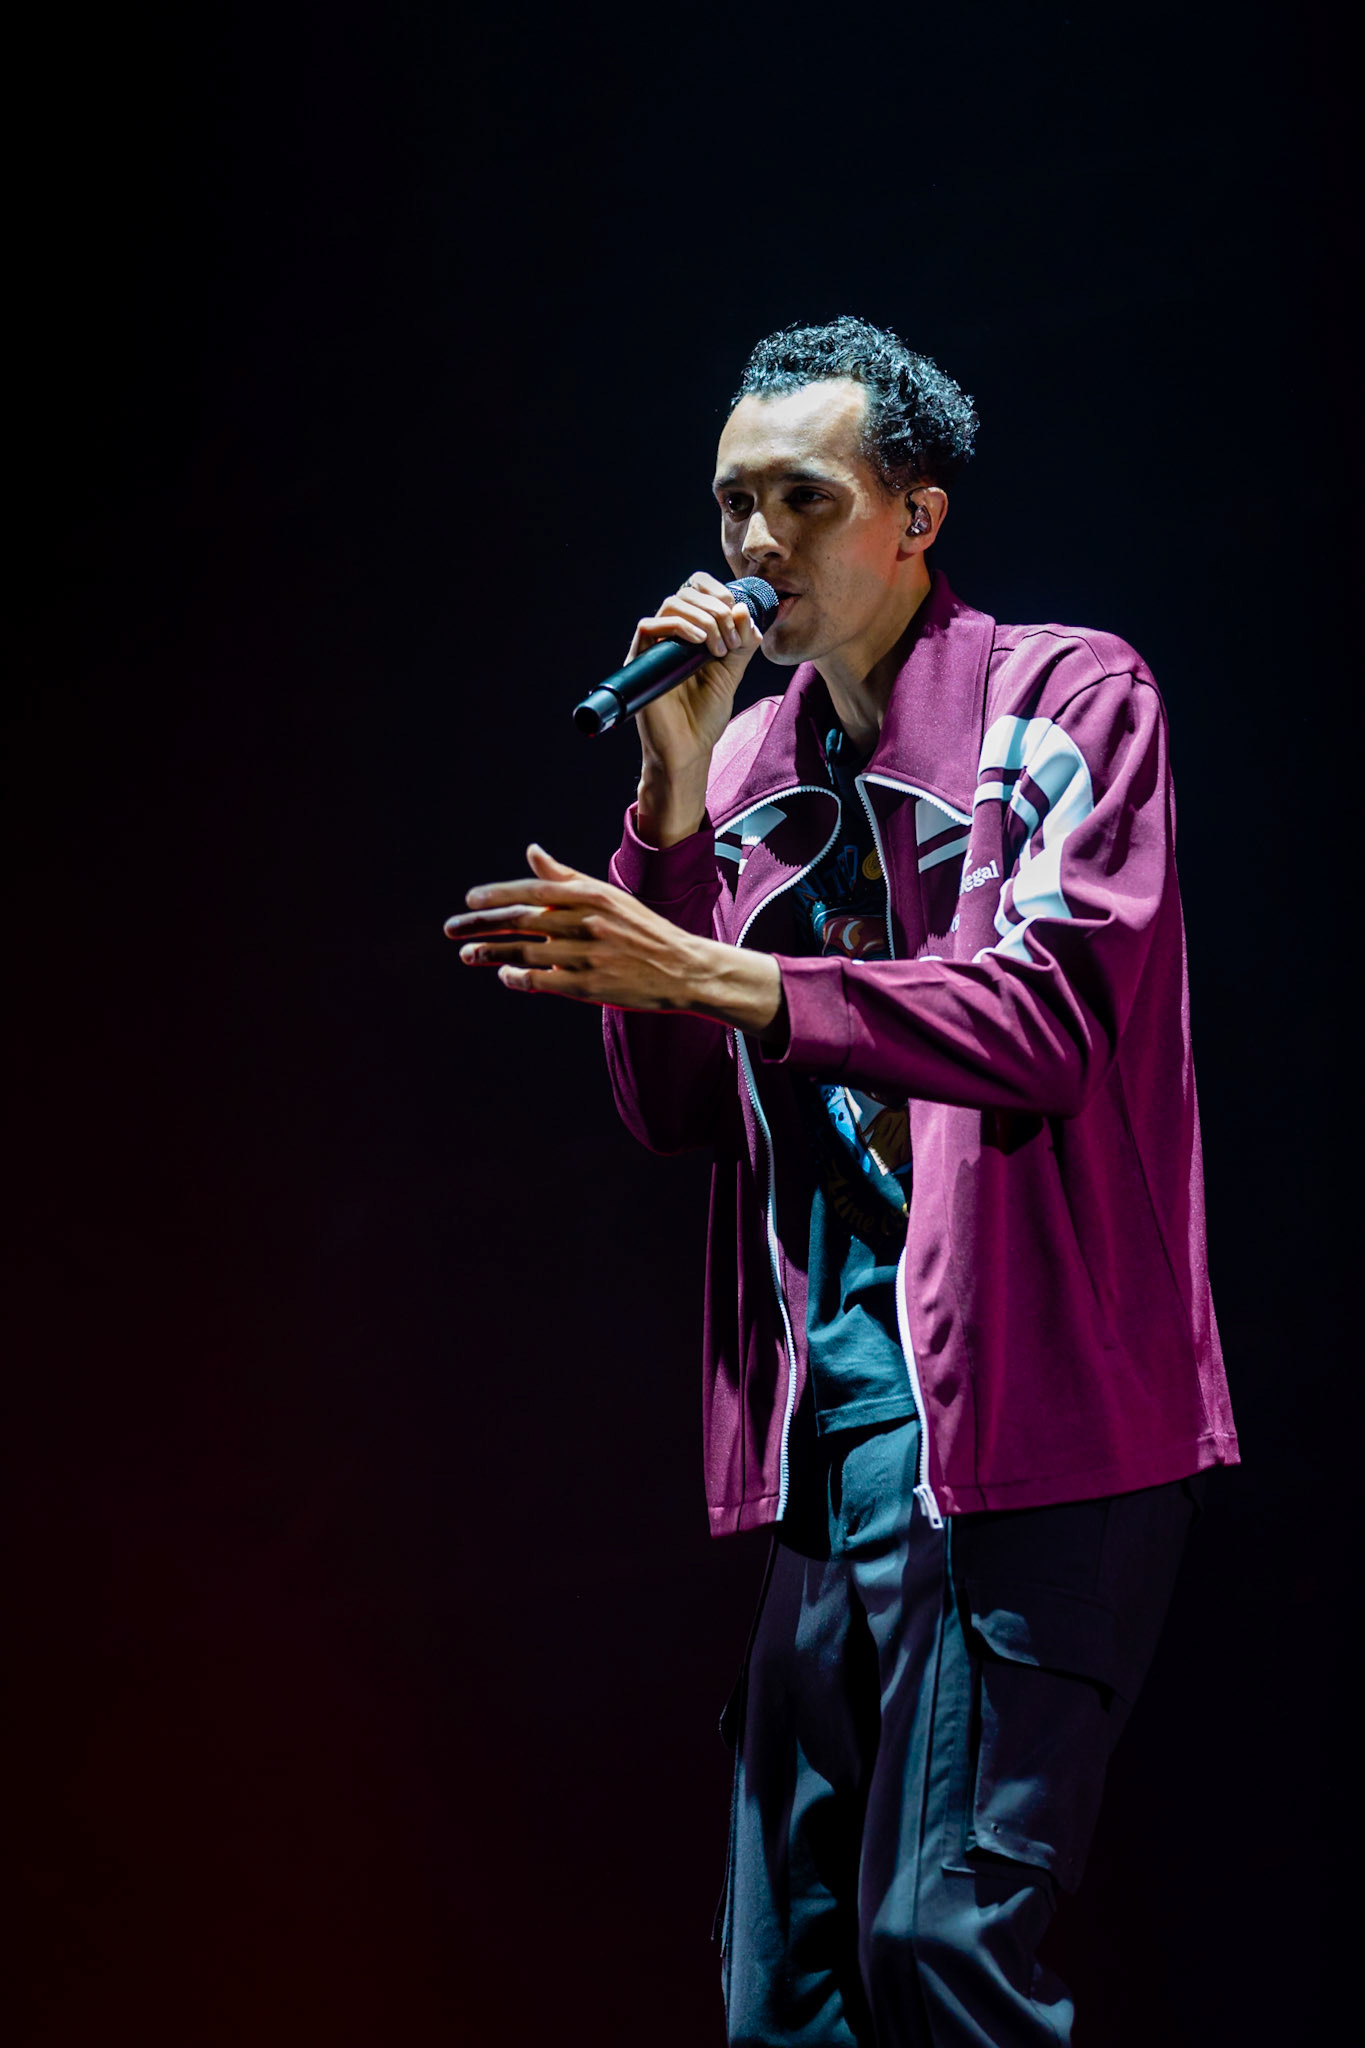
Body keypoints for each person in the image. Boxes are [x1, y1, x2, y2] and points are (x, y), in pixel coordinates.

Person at [445, 316, 1239, 2047]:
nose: (752, 544)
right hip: (839, 1450)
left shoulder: (1066, 694)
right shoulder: (740, 768)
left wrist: (712, 968)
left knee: (939, 1949)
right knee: (782, 1996)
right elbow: (676, 1112)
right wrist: (668, 787)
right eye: (732, 503)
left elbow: (1040, 1021)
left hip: (1038, 1438)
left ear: (913, 519)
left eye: (801, 498)